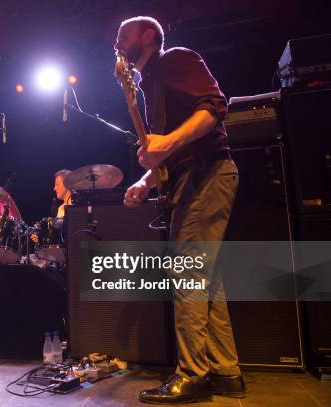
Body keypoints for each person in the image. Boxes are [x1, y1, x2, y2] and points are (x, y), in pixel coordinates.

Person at [115, 17, 245, 403]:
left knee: (187, 274)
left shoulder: (174, 60)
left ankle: (192, 375)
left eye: (125, 33)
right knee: (207, 282)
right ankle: (225, 371)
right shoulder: (147, 85)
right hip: (190, 176)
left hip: (207, 175)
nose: (117, 40)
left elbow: (213, 107)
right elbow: (169, 152)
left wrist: (168, 140)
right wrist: (144, 181)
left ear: (149, 36)